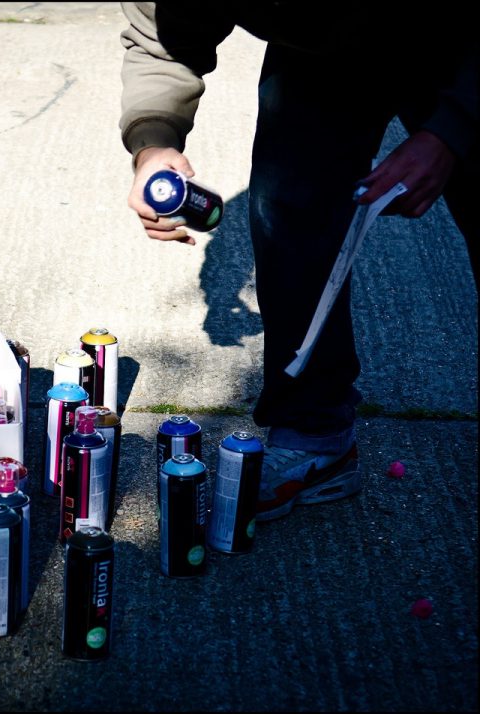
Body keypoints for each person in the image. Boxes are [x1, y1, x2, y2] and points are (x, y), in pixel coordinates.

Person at [119, 2, 478, 521]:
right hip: (326, 43)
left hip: (462, 37)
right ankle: (316, 431)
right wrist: (153, 145)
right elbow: (161, 41)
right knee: (288, 206)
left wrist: (451, 131)